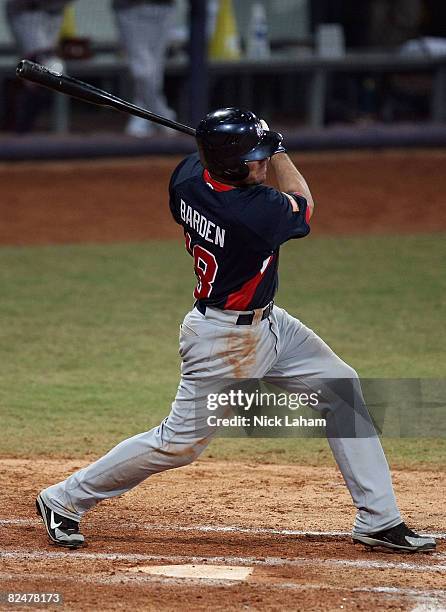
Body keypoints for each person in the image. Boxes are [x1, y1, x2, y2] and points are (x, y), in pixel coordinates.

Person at [36, 108, 436, 554]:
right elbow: (302, 200)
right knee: (178, 445)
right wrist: (280, 147)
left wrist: (237, 143)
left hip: (270, 323)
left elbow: (206, 160)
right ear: (229, 164)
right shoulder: (255, 212)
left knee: (340, 386)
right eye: (256, 157)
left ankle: (379, 520)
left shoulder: (186, 179)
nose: (263, 163)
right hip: (226, 343)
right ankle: (63, 499)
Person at [112, 0, 176, 137]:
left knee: (155, 71)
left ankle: (142, 113)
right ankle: (161, 115)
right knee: (142, 71)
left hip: (163, 8)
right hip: (129, 9)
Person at [5, 0, 72, 131]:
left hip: (54, 12)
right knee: (44, 66)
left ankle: (19, 122)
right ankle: (20, 123)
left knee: (44, 69)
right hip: (27, 11)